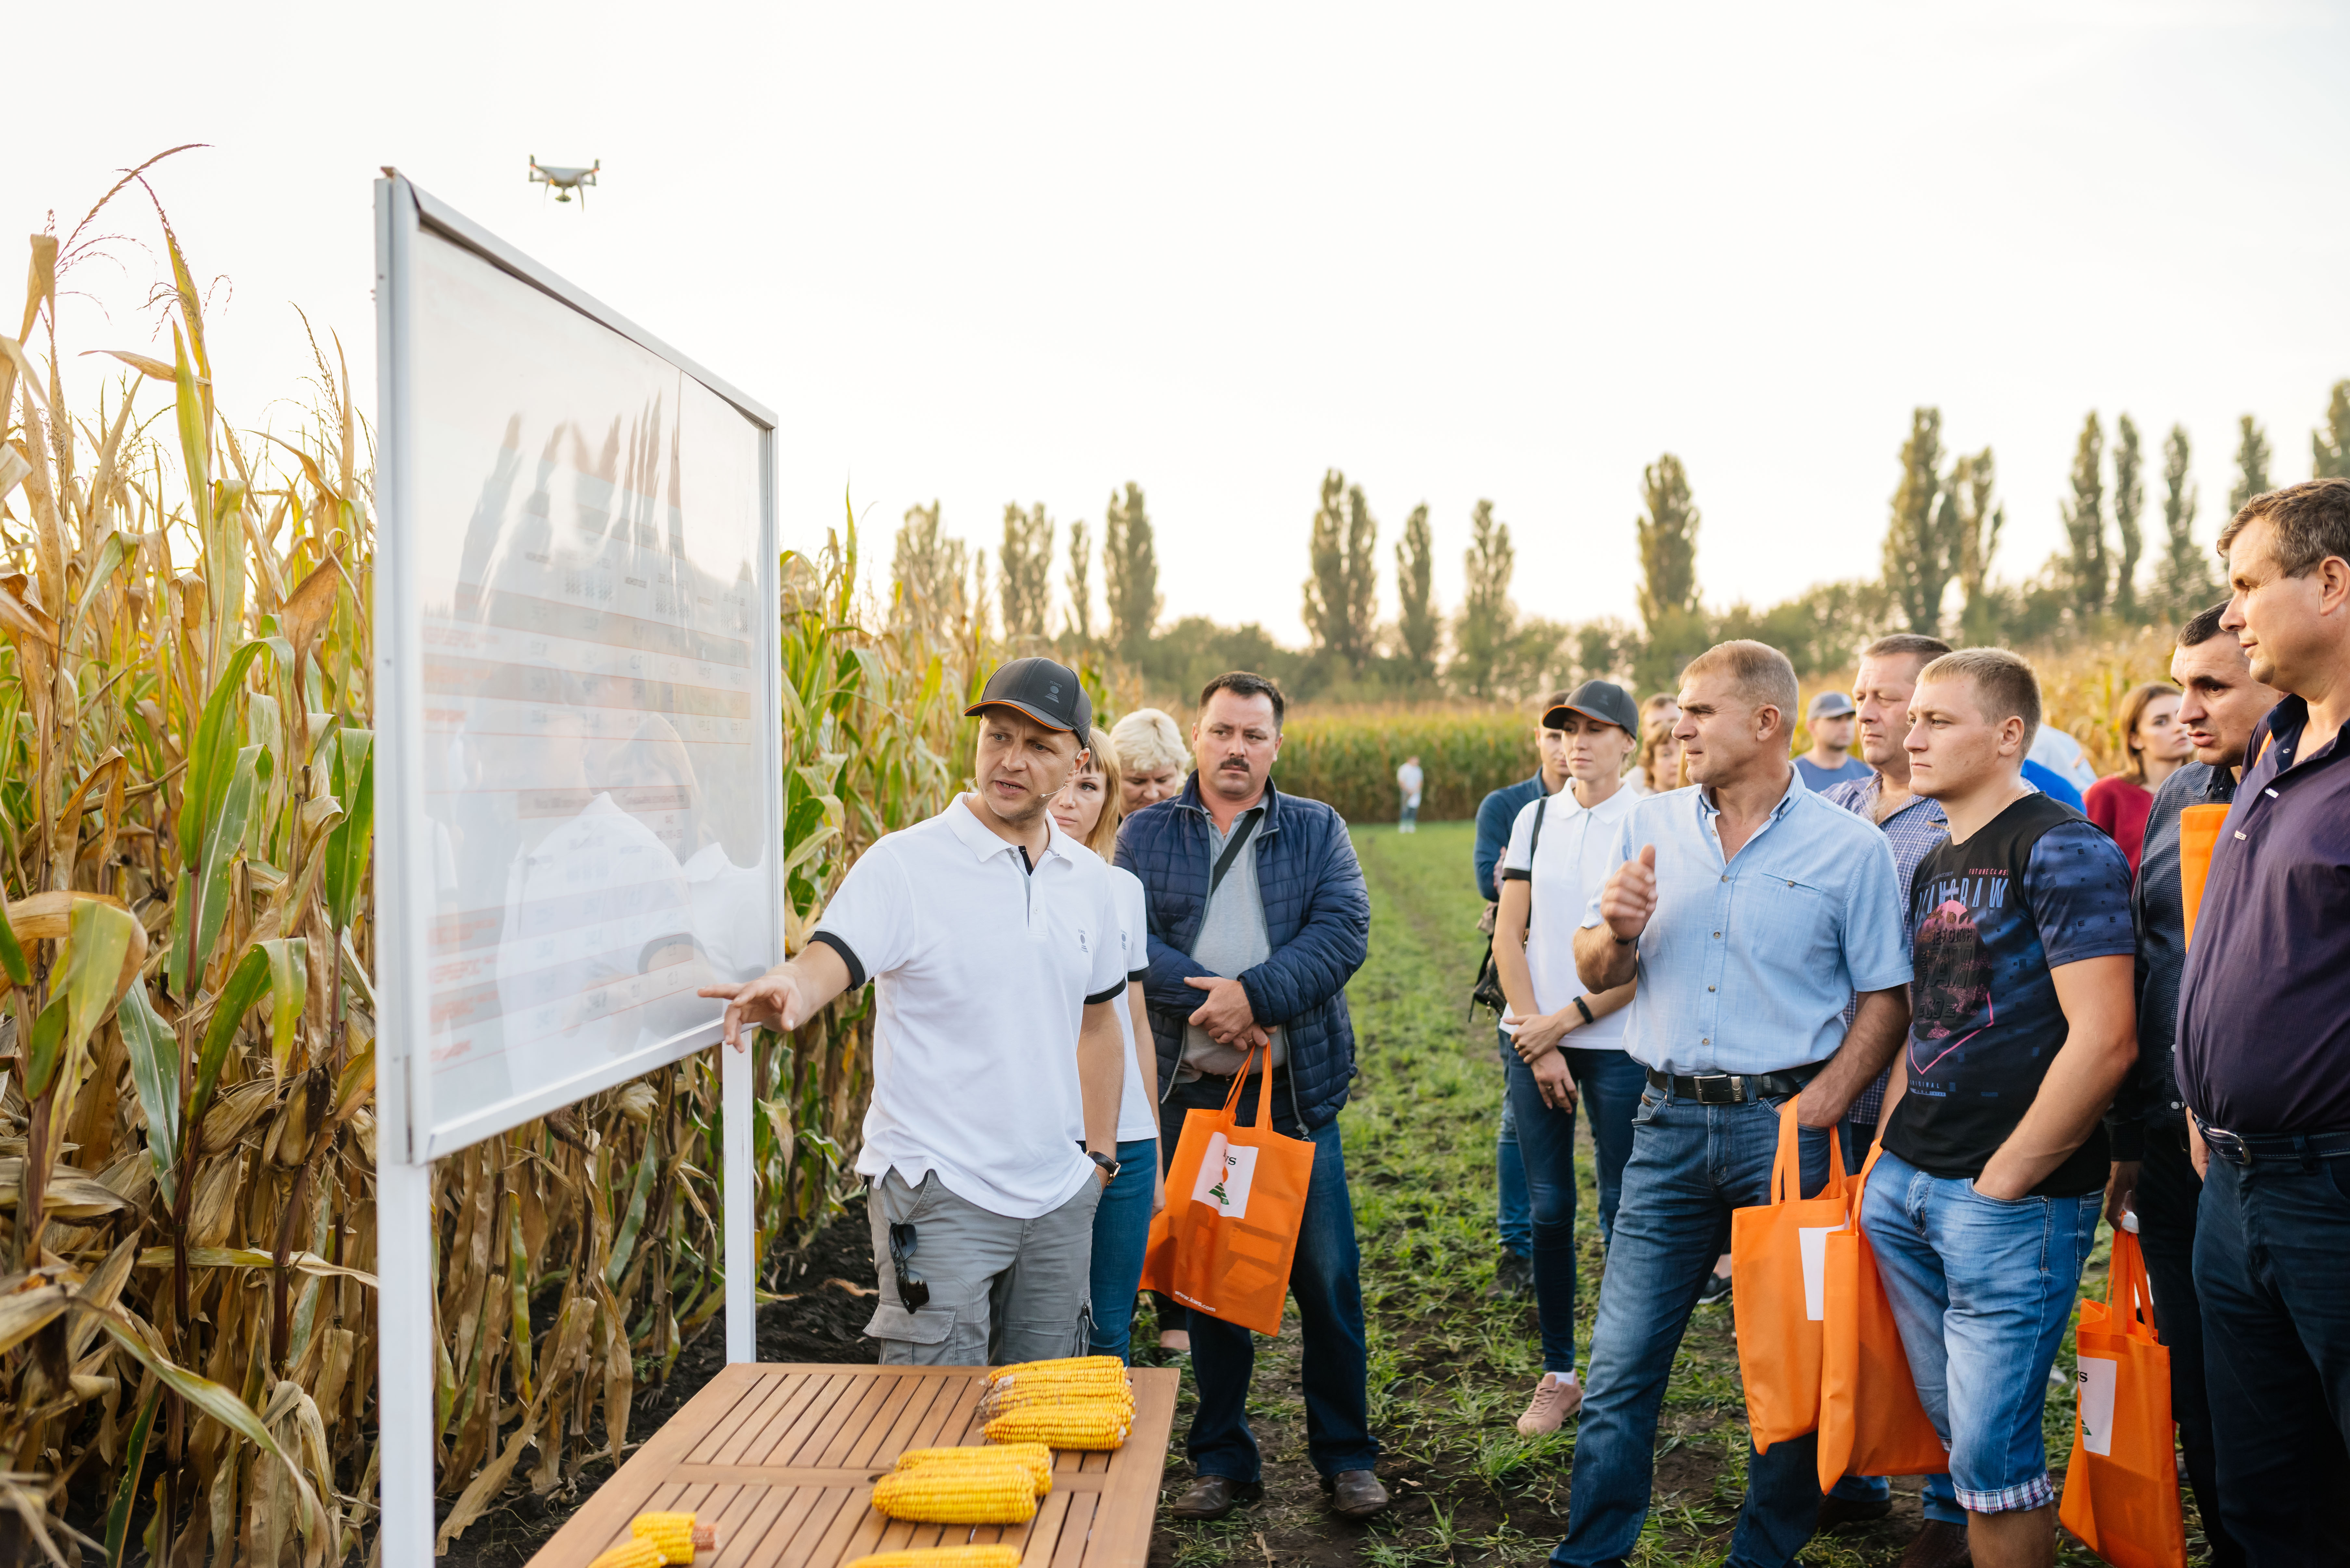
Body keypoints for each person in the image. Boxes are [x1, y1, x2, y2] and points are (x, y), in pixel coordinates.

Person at [1551, 640, 1914, 1568]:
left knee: (1793, 1361)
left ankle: (1764, 1552)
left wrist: (1824, 1102)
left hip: (1787, 1134)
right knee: (1623, 1363)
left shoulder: (1852, 848)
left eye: (1700, 712)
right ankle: (1588, 1554)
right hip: (1664, 1124)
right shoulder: (1653, 825)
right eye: (1679, 711)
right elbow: (1598, 968)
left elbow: (1886, 996)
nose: (1678, 727)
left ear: (1766, 723)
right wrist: (1612, 931)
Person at [699, 656, 1130, 1364]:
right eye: (997, 736)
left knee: (1044, 1411)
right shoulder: (905, 864)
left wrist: (1099, 1162)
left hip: (1058, 1195)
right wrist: (793, 991)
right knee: (933, 1422)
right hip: (938, 1194)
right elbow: (828, 958)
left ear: (1077, 760)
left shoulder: (1088, 880)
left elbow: (1098, 1022)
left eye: (1038, 746)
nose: (1010, 760)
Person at [1859, 648, 2137, 1568]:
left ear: (2008, 733)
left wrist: (2005, 1178)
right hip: (1910, 1178)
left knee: (1992, 1454)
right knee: (1964, 1437)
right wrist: (1886, 1161)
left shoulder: (2058, 845)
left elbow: (2104, 1036)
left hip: (2005, 1200)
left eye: (1939, 718)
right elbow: (1923, 1021)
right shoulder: (1937, 854)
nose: (1912, 732)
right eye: (1914, 717)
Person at [1117, 672, 1384, 1522]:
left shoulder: (1315, 828)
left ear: (1276, 746)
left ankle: (1345, 1455)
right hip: (1194, 1094)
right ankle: (1223, 1458)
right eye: (1222, 731)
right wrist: (1212, 1000)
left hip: (1292, 1098)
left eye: (1253, 735)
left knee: (1328, 1281)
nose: (1236, 748)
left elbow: (1343, 928)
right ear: (1197, 736)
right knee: (1209, 1287)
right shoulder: (1144, 832)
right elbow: (1129, 942)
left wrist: (1255, 996)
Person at [2175, 477, 2350, 1566]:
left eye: (2246, 586)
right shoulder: (2273, 745)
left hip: (2332, 1192)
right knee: (2265, 1496)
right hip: (2233, 1190)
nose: (2231, 615)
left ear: (2330, 581)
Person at [2100, 603, 2275, 1568]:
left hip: (2276, 1150)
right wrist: (2126, 1141)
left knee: (2277, 1394)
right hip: (2171, 1147)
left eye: (2211, 686)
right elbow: (2147, 965)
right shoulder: (2178, 796)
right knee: (2197, 1375)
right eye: (2177, 687)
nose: (2184, 710)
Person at [1815, 635, 1967, 1557]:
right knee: (1844, 1295)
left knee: (1937, 1305)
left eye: (1889, 697)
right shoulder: (1831, 805)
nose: (1867, 711)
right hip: (1830, 1092)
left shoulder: (1956, 824)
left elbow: (1933, 989)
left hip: (1916, 1102)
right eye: (1862, 695)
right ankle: (1854, 1467)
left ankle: (1953, 1500)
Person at [1490, 681, 1645, 1435]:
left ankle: (1617, 1371)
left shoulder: (1651, 819)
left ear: (1629, 742)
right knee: (1550, 1207)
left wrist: (1567, 1021)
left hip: (1616, 1041)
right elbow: (1507, 935)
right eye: (1564, 728)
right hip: (1531, 1036)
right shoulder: (1536, 815)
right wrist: (1532, 1031)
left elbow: (1647, 958)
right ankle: (1559, 1371)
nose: (1576, 741)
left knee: (1624, 1209)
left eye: (1595, 728)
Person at [1048, 727, 1169, 1364]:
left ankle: (1100, 1456)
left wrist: (1150, 1140)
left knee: (1108, 1327)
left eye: (1089, 784)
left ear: (1110, 801)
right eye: (1063, 778)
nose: (1069, 798)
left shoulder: (1123, 891)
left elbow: (1135, 1024)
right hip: (1042, 1135)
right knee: (1040, 1325)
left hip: (1125, 1139)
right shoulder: (1006, 885)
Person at [1474, 692, 1577, 1300]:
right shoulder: (1510, 806)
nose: (1566, 748)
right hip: (1525, 984)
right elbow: (1486, 876)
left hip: (1601, 993)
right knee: (1521, 1121)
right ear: (1539, 741)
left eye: (1580, 733)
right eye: (1554, 735)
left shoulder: (1623, 811)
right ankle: (1517, 1248)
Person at [1110, 708, 1199, 1352]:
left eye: (1160, 779)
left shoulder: (1188, 840)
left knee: (1176, 1173)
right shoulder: (1094, 838)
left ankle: (1175, 1312)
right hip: (1109, 1027)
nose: (1148, 792)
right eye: (1134, 780)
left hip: (1173, 1030)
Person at [2083, 682, 2192, 876]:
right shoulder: (2106, 794)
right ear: (2136, 739)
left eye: (2181, 715)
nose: (2179, 727)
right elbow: (2088, 869)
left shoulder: (2211, 789)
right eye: (2161, 722)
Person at [1110, 707, 1188, 814]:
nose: (1152, 795)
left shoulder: (1197, 827)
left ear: (1178, 773)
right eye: (1137, 782)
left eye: (1163, 780)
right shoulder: (1090, 827)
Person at [1794, 689, 1872, 791]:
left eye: (1849, 719)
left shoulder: (1868, 776)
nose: (1846, 726)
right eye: (1836, 719)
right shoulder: (1792, 777)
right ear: (1812, 727)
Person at [1629, 697, 1684, 795]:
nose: (1668, 729)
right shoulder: (1631, 786)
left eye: (1674, 721)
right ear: (1645, 734)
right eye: (1657, 725)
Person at [1396, 754, 1424, 833]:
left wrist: (1415, 790)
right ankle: (1403, 825)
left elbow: (1420, 781)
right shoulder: (1404, 769)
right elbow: (1401, 781)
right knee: (1405, 809)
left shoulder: (1418, 770)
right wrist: (1408, 790)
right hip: (1406, 792)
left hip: (1416, 792)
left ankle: (1411, 825)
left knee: (1414, 809)